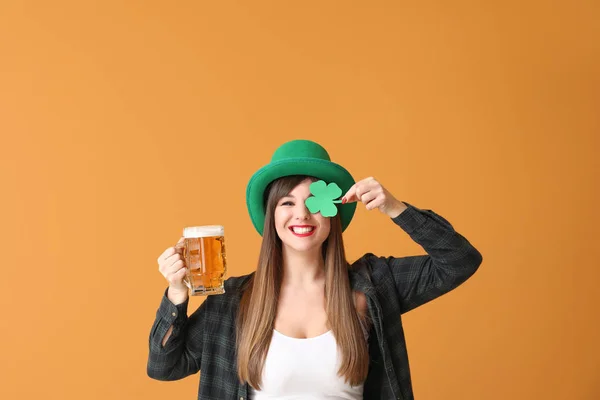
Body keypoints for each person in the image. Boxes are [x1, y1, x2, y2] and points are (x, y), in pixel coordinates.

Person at [147, 139, 483, 400]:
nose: (302, 215)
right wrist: (177, 293)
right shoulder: (233, 300)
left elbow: (459, 260)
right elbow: (165, 366)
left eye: (313, 203)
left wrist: (395, 208)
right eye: (287, 203)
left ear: (333, 212)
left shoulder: (373, 286)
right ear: (271, 217)